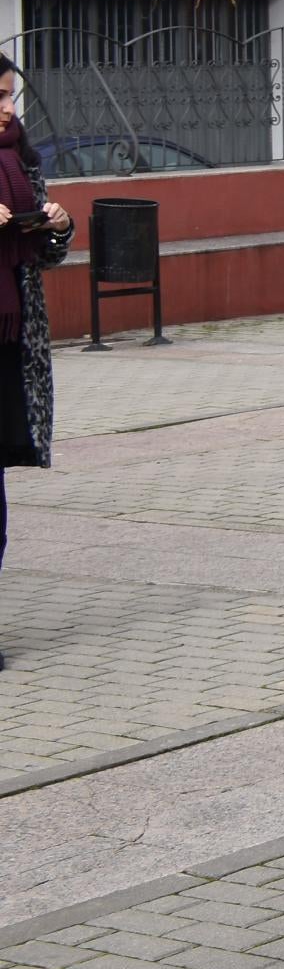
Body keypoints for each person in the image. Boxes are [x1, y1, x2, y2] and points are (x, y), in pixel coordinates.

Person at [0, 52, 74, 668]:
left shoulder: (22, 159)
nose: (9, 109)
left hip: (9, 344)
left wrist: (57, 223)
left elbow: (47, 257)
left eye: (10, 97)